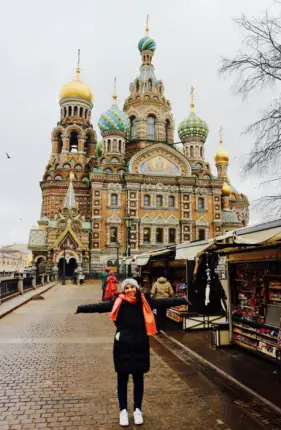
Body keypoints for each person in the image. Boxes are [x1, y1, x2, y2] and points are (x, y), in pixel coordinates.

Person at [76, 278, 189, 427]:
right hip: (122, 345)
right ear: (123, 290)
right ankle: (123, 411)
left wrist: (184, 300)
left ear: (136, 288)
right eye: (127, 288)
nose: (130, 290)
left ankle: (137, 410)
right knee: (122, 379)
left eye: (132, 287)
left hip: (140, 344)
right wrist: (81, 308)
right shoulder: (118, 302)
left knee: (138, 378)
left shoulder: (145, 301)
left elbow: (164, 302)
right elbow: (99, 307)